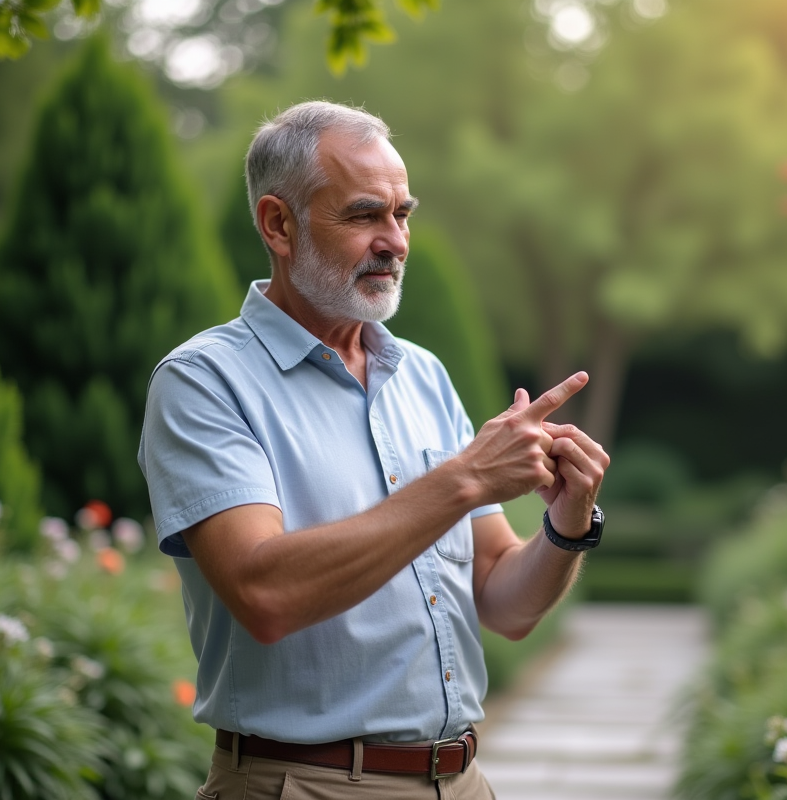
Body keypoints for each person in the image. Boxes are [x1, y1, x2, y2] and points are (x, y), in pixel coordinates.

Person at [139, 101, 610, 800]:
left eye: (403, 214)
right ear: (279, 224)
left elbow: (506, 603)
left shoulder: (420, 373)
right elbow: (264, 593)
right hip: (303, 784)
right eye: (364, 216)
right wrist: (464, 479)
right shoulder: (204, 382)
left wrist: (569, 524)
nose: (396, 241)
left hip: (464, 780)